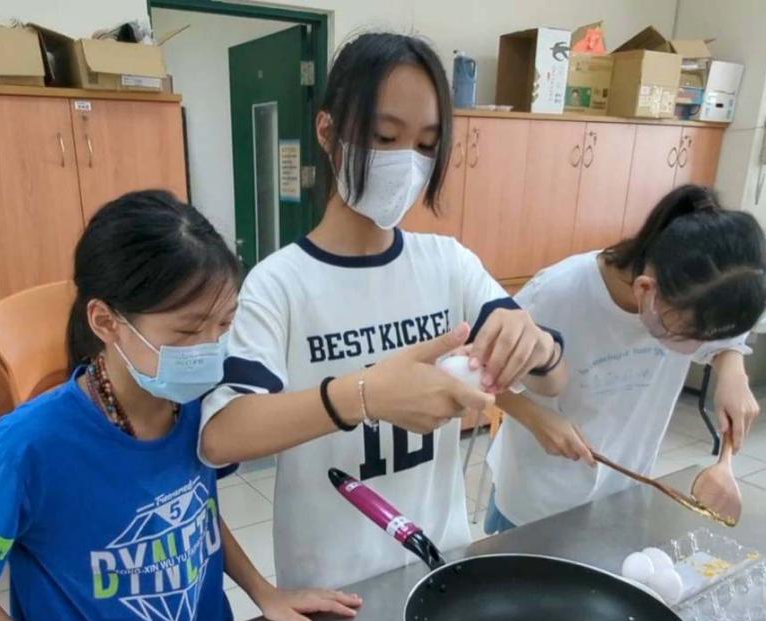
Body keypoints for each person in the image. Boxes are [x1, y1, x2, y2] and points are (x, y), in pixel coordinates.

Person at [0, 190, 362, 621]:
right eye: (188, 331)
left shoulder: (194, 408)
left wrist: (264, 591)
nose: (210, 348)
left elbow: (193, 508)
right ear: (106, 321)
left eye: (224, 324)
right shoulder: (31, 446)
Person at [200, 32, 568, 589]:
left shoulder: (448, 263)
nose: (407, 164)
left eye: (425, 144)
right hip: (330, 583)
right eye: (383, 136)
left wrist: (534, 344)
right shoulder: (279, 283)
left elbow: (555, 377)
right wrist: (364, 395)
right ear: (328, 131)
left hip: (439, 557)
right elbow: (222, 436)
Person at [484, 184, 766, 533]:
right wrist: (536, 418)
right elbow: (479, 373)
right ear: (646, 290)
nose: (697, 347)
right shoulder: (559, 294)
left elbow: (725, 338)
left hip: (620, 497)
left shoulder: (703, 294)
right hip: (536, 503)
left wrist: (731, 367)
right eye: (685, 335)